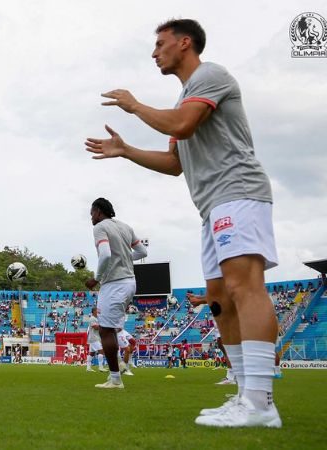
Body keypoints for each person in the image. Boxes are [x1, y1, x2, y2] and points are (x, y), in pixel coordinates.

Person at [85, 18, 281, 427]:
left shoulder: (211, 76)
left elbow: (182, 125)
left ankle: (261, 402)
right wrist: (126, 150)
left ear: (184, 43)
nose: (154, 52)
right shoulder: (183, 102)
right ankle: (245, 395)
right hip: (211, 206)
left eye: (160, 44)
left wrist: (135, 105)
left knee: (244, 289)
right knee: (218, 300)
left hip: (238, 193)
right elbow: (175, 163)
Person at [85, 198, 147, 389]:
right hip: (130, 282)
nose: (91, 218)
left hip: (115, 283)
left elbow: (105, 254)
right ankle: (117, 371)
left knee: (105, 330)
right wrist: (125, 257)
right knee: (109, 329)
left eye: (91, 213)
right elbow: (142, 251)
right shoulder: (126, 227)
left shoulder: (100, 227)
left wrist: (96, 278)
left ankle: (115, 380)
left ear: (98, 211)